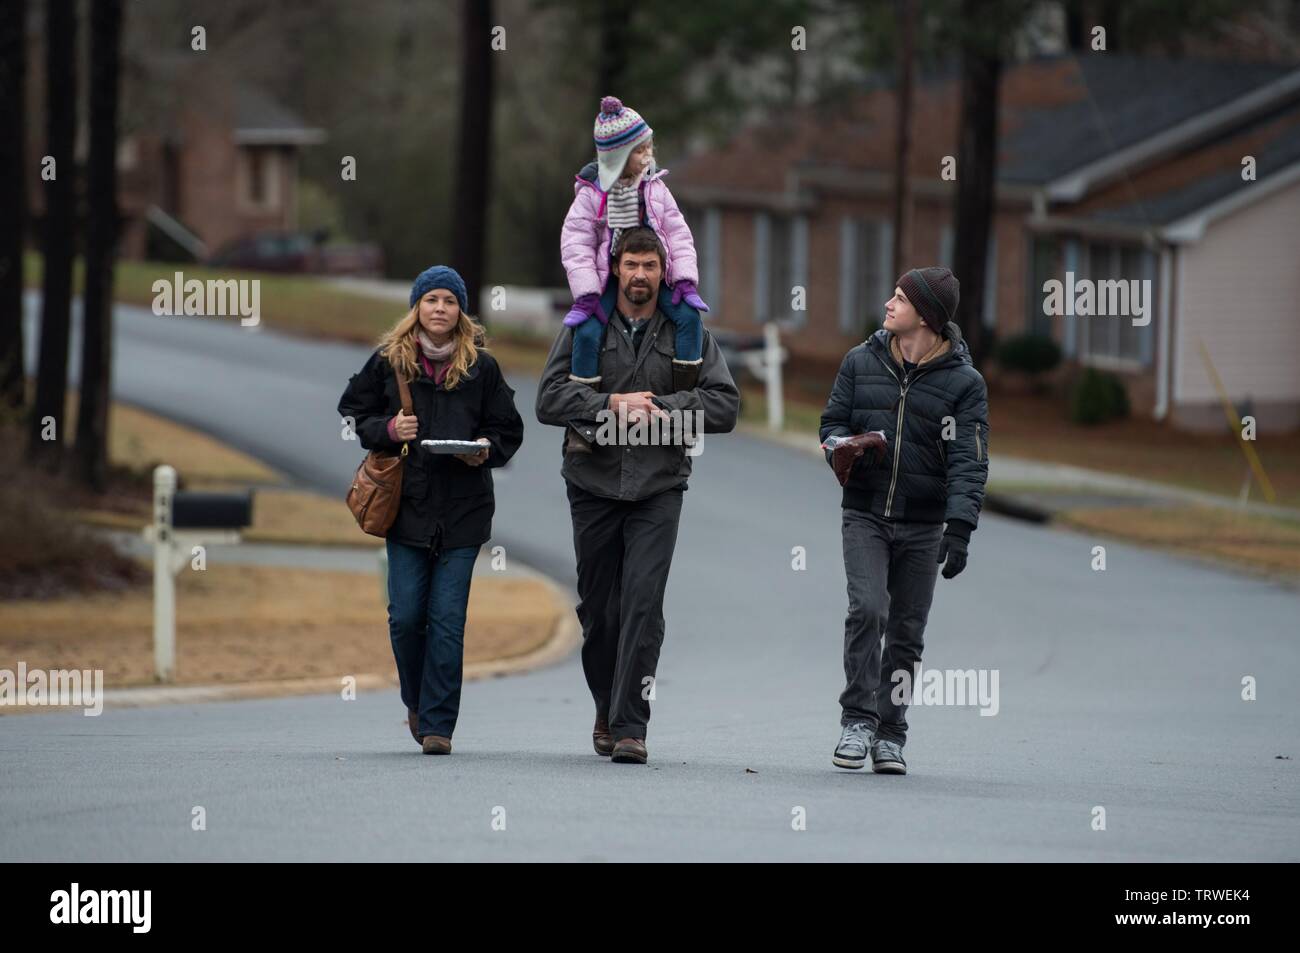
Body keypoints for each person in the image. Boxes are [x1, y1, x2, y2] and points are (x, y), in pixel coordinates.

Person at [536, 226, 739, 764]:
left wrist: (663, 409)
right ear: (615, 268)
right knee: (600, 612)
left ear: (664, 271)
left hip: (659, 486)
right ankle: (606, 706)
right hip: (592, 483)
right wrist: (611, 404)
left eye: (650, 265)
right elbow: (548, 399)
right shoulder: (585, 326)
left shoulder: (688, 330)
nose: (640, 275)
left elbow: (725, 406)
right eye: (632, 265)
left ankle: (631, 726)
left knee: (643, 606)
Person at [337, 266, 524, 755]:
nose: (440, 308)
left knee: (447, 620)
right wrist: (388, 430)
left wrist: (485, 448)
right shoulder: (389, 361)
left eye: (449, 301)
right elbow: (354, 413)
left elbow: (508, 429)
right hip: (406, 509)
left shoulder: (482, 367)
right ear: (416, 307)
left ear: (462, 310)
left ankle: (439, 725)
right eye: (431, 300)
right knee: (405, 617)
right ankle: (416, 701)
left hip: (464, 512)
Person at [819, 266, 989, 776]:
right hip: (864, 513)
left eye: (900, 298)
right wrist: (842, 447)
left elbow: (969, 459)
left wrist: (960, 528)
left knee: (907, 633)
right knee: (868, 610)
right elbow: (832, 423)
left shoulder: (965, 384)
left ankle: (891, 734)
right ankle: (857, 720)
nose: (888, 304)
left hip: (923, 524)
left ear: (927, 316)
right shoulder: (859, 361)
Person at [560, 96, 709, 422]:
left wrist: (684, 280)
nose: (647, 156)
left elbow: (679, 234)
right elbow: (575, 244)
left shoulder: (656, 188)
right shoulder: (591, 194)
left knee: (689, 318)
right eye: (639, 151)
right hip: (608, 280)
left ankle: (680, 403)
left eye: (648, 148)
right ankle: (584, 418)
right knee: (587, 332)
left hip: (653, 277)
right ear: (618, 156)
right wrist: (587, 292)